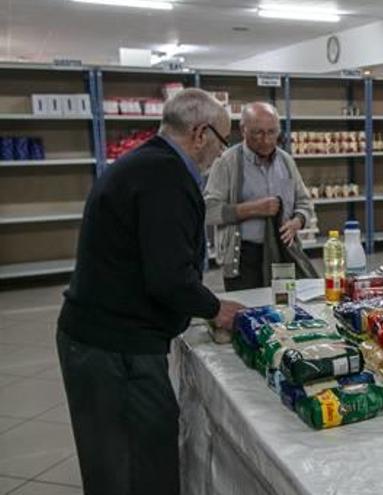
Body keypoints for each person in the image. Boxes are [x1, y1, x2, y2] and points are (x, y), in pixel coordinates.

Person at [56, 88, 245, 495]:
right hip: (115, 349)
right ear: (199, 133)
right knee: (139, 467)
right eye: (222, 141)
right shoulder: (166, 179)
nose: (220, 152)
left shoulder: (147, 164)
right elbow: (168, 278)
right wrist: (216, 308)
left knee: (121, 461)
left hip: (102, 337)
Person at [205, 101, 316, 291]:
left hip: (282, 253)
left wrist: (297, 221)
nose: (266, 140)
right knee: (249, 313)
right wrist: (252, 209)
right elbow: (208, 210)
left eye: (272, 132)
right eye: (258, 133)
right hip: (243, 258)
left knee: (284, 309)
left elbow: (305, 203)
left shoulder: (286, 161)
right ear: (243, 130)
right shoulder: (226, 163)